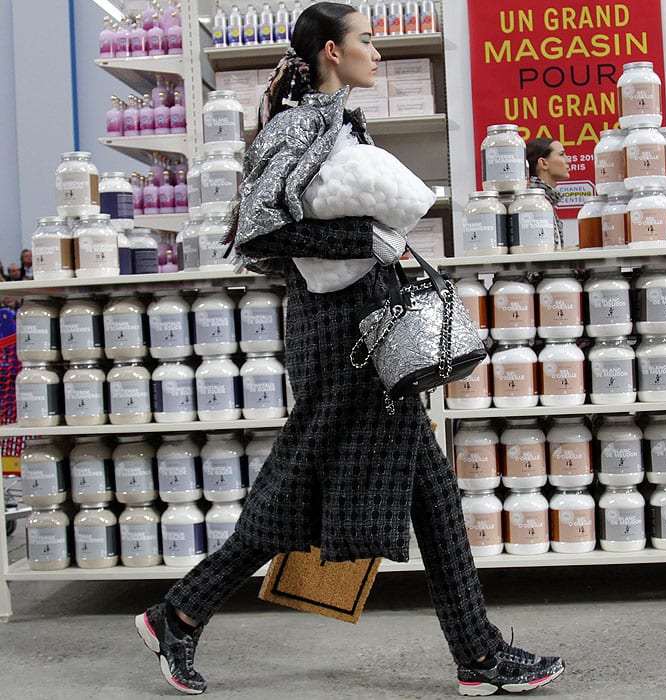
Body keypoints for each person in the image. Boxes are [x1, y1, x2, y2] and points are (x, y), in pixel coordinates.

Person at [134, 4, 565, 697]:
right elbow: (259, 234)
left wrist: (376, 249)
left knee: (421, 490)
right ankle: (180, 613)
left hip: (365, 330)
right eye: (366, 39)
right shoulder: (299, 125)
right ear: (332, 51)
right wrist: (366, 241)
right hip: (343, 338)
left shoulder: (335, 124)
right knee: (312, 488)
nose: (377, 50)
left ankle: (476, 657)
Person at [526, 138, 570, 249]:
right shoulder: (535, 202)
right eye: (561, 155)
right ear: (543, 163)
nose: (568, 160)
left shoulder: (544, 199)